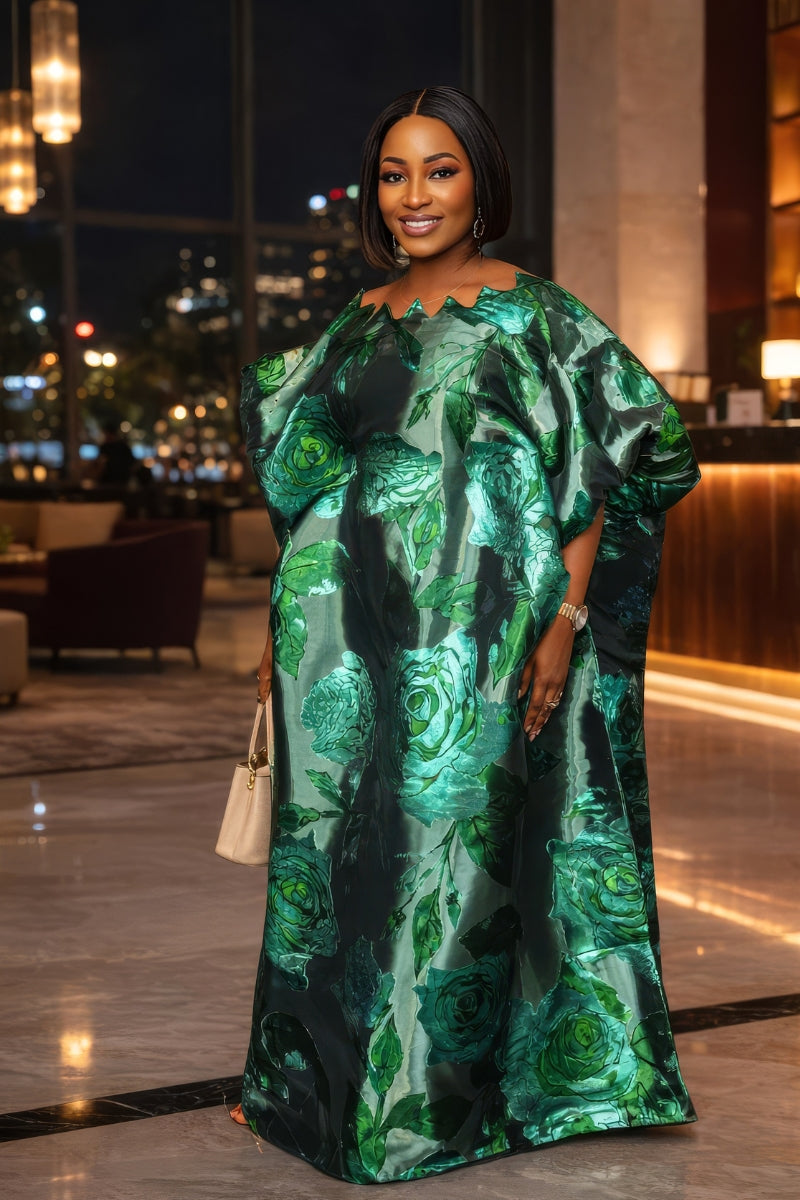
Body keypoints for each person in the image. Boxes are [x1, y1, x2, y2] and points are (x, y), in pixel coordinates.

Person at [231, 86, 699, 1183]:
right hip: (339, 646)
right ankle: (315, 1090)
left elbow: (602, 468)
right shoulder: (360, 318)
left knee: (449, 854)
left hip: (482, 639)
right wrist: (277, 638)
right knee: (340, 858)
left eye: (436, 170)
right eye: (392, 174)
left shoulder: (536, 313)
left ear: (479, 177)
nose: (412, 196)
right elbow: (313, 490)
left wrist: (563, 621)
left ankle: (427, 1111)